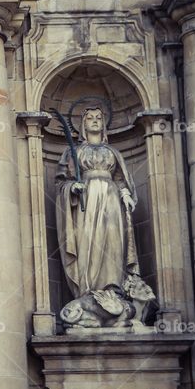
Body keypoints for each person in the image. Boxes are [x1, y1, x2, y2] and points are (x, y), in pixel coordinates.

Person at [55, 106, 144, 326]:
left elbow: (121, 179)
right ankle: (89, 289)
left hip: (111, 200)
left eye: (98, 118)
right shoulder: (73, 152)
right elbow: (61, 181)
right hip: (85, 202)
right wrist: (72, 187)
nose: (95, 121)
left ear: (104, 123)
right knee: (87, 243)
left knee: (113, 242)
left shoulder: (113, 152)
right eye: (90, 118)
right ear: (82, 124)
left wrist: (125, 193)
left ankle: (113, 287)